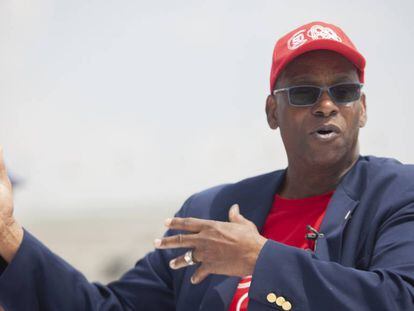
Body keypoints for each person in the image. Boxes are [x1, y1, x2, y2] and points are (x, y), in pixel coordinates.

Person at [0, 21, 414, 311]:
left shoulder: (397, 195)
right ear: (273, 111)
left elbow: (400, 299)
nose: (326, 105)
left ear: (361, 108)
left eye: (343, 90)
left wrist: (261, 260)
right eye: (305, 93)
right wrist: (8, 235)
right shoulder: (210, 211)